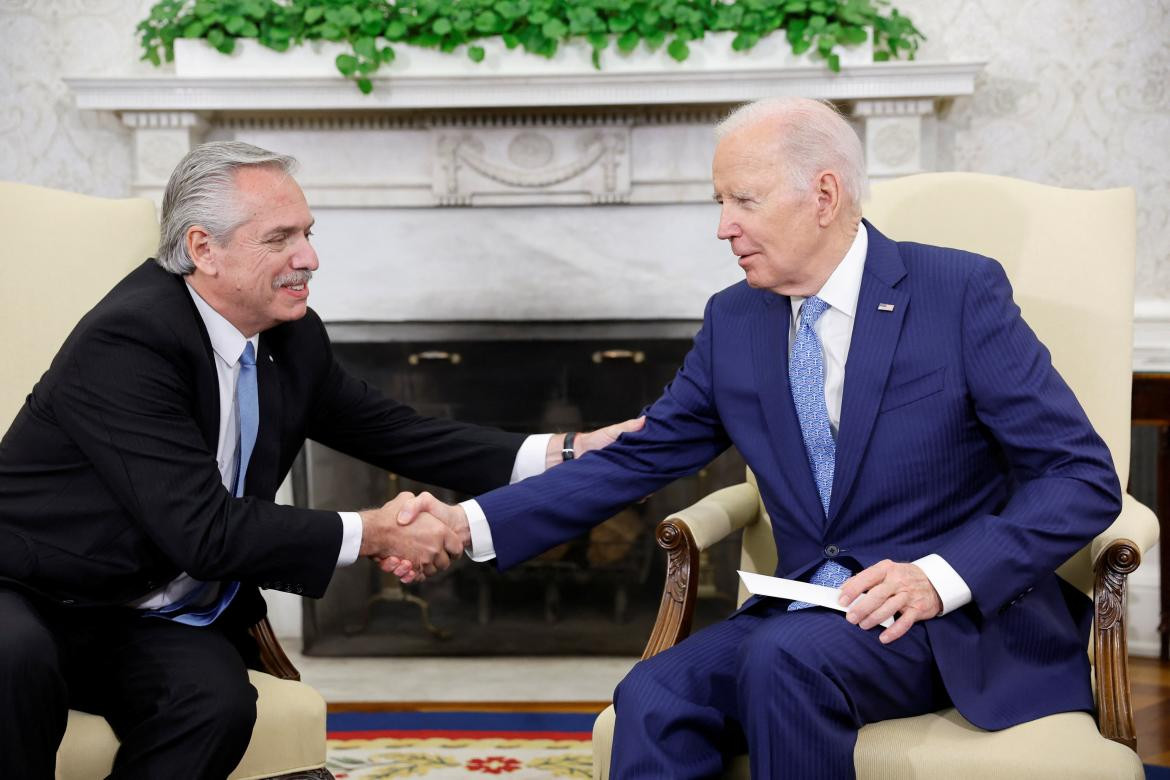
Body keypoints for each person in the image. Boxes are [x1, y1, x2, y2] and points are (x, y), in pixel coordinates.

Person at [395, 97, 1122, 778]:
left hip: (954, 618)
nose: (723, 226)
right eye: (720, 202)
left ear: (825, 196)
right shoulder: (735, 320)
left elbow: (1079, 476)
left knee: (786, 659)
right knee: (652, 693)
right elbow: (642, 456)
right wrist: (467, 523)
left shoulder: (958, 294)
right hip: (810, 607)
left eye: (744, 200)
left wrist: (936, 577)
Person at [0, 141, 640, 779]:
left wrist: (563, 451)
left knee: (215, 703)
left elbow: (390, 429)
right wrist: (376, 532)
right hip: (30, 588)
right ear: (203, 249)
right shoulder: (130, 340)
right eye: (279, 239)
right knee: (14, 658)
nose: (308, 258)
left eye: (306, 233)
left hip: (145, 612)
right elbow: (203, 530)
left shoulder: (289, 334)